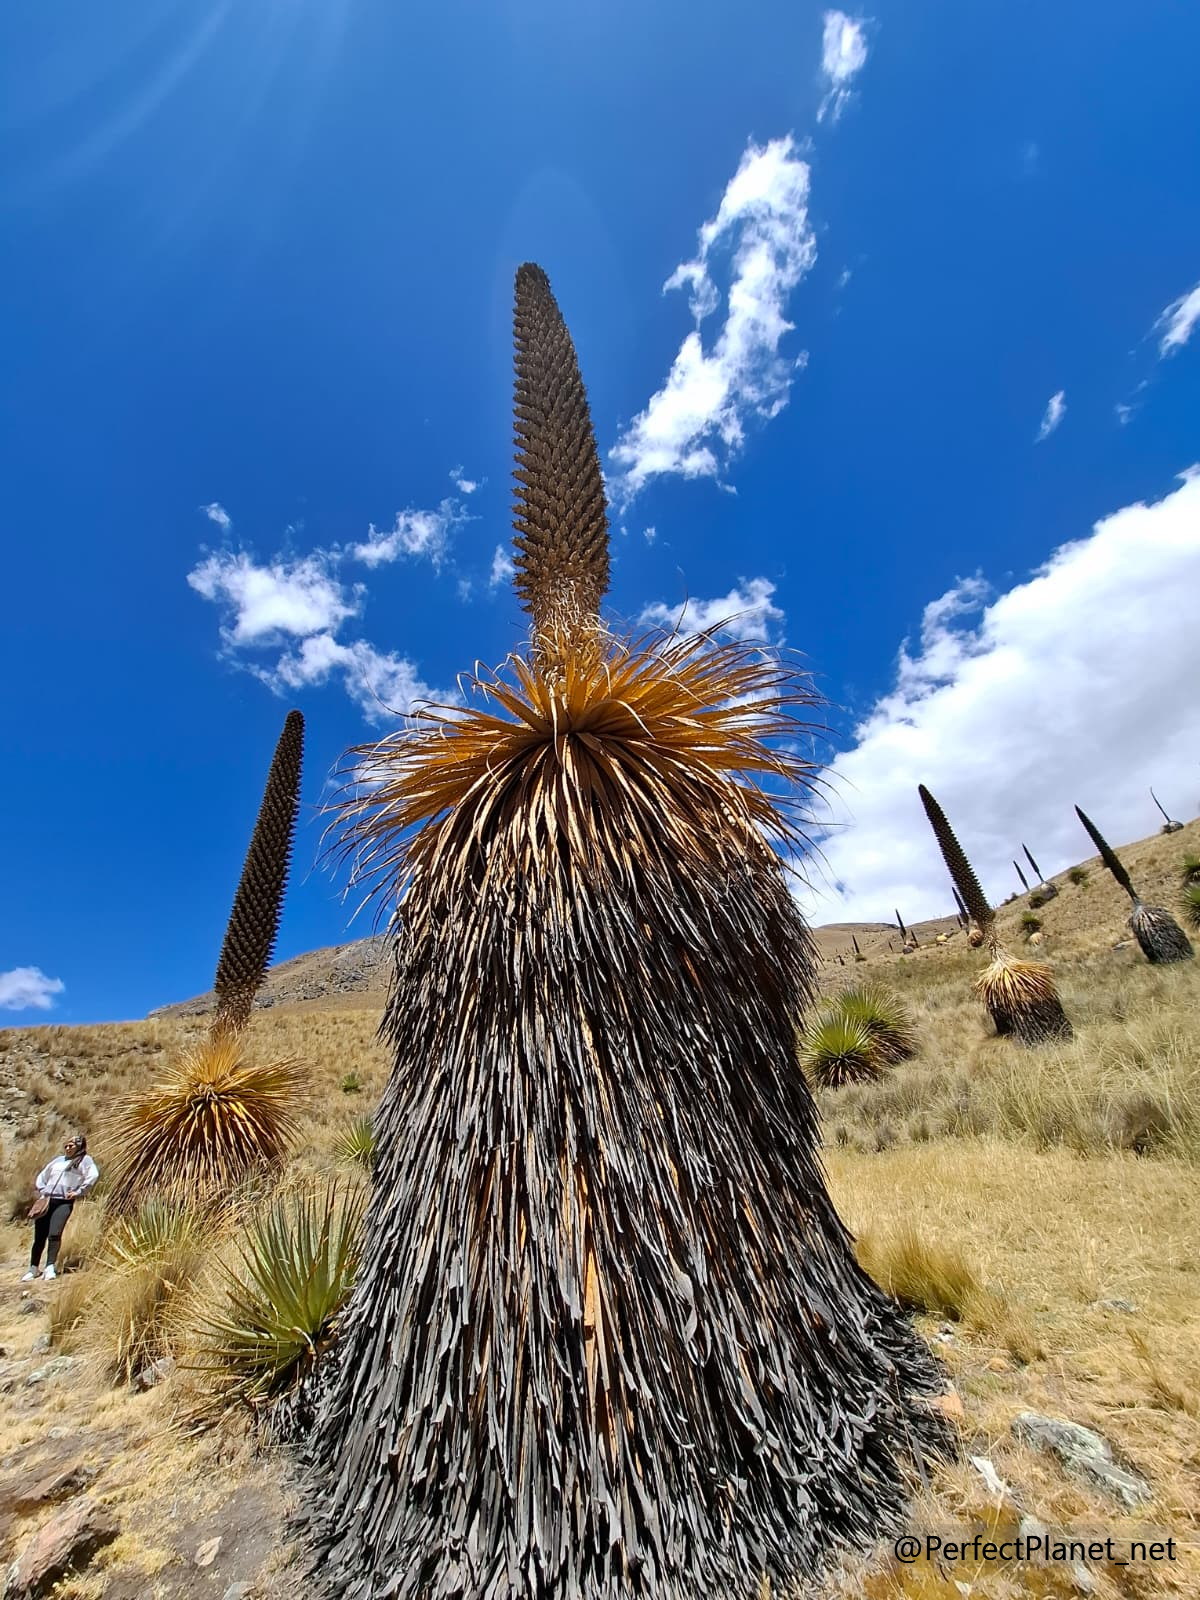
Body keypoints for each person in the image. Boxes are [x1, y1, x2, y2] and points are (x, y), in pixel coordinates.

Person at [23, 1133, 100, 1281]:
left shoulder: (84, 1160)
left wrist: (79, 1191)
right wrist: (43, 1189)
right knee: (39, 1236)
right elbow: (42, 1176)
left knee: (54, 1233)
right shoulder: (57, 1161)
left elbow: (93, 1175)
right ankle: (33, 1268)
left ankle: (49, 1267)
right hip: (46, 1201)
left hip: (63, 1202)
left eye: (72, 1145)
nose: (68, 1147)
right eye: (66, 1144)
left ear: (79, 1146)